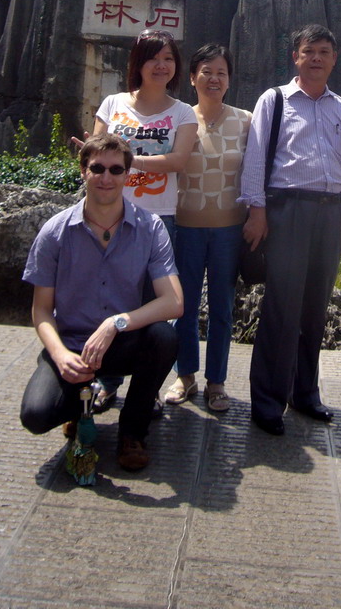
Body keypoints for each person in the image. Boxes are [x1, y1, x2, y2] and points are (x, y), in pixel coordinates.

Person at [19, 134, 183, 471]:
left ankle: (132, 432)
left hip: (122, 343)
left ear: (127, 175)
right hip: (73, 345)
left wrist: (115, 323)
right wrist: (61, 355)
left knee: (164, 338)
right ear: (83, 171)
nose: (106, 178)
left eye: (115, 170)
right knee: (35, 416)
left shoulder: (150, 228)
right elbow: (40, 311)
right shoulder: (55, 232)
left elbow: (173, 302)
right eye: (97, 168)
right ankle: (78, 408)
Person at [240, 24, 341, 436]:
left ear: (334, 59)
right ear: (295, 56)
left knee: (315, 308)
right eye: (309, 50)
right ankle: (268, 402)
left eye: (324, 51)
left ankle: (305, 393)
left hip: (329, 216)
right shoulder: (274, 100)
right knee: (281, 308)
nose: (316, 58)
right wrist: (257, 212)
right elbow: (255, 161)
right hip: (286, 210)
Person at [89, 27, 198, 411]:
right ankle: (106, 381)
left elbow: (177, 162)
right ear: (138, 63)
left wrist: (123, 161)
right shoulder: (113, 103)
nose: (162, 65)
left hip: (158, 220)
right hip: (107, 216)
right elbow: (94, 155)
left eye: (168, 59)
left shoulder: (182, 112)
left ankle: (147, 387)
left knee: (153, 307)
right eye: (154, 57)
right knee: (108, 300)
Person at [164, 44, 251, 412]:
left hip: (230, 230)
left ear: (229, 79)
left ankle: (217, 381)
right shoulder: (180, 119)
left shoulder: (247, 120)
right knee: (180, 306)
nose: (214, 78)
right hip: (185, 227)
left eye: (221, 72)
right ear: (192, 78)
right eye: (206, 71)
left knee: (222, 307)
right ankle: (185, 376)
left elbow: (258, 173)